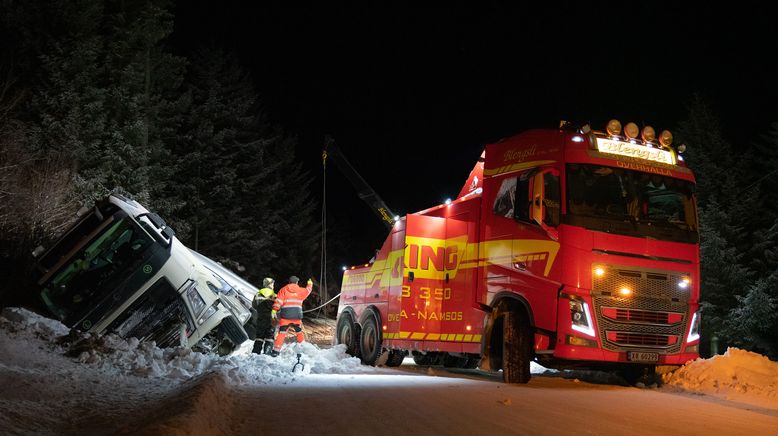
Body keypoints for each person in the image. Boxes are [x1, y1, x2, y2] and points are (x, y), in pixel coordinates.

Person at [270, 276, 313, 357]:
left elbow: (278, 301)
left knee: (282, 333)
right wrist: (310, 284)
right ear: (297, 282)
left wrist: (274, 310)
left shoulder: (283, 289)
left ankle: (276, 351)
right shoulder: (300, 290)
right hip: (297, 316)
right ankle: (302, 348)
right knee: (299, 333)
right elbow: (308, 290)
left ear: (289, 282)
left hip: (285, 316)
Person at [253, 277, 277, 354]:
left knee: (259, 337)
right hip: (271, 319)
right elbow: (278, 307)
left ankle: (255, 353)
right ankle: (266, 354)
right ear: (269, 285)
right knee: (270, 337)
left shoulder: (258, 294)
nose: (273, 285)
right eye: (272, 284)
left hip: (261, 318)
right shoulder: (275, 296)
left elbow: (254, 305)